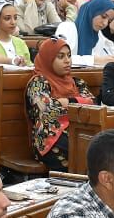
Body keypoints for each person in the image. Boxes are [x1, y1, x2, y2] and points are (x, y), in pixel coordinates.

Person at [25, 38, 94, 172]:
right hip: (49, 140)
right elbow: (47, 109)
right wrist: (77, 103)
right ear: (48, 59)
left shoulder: (76, 82)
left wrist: (68, 102)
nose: (67, 60)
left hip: (77, 132)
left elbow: (91, 102)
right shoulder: (38, 82)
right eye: (60, 57)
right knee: (81, 148)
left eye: (69, 55)